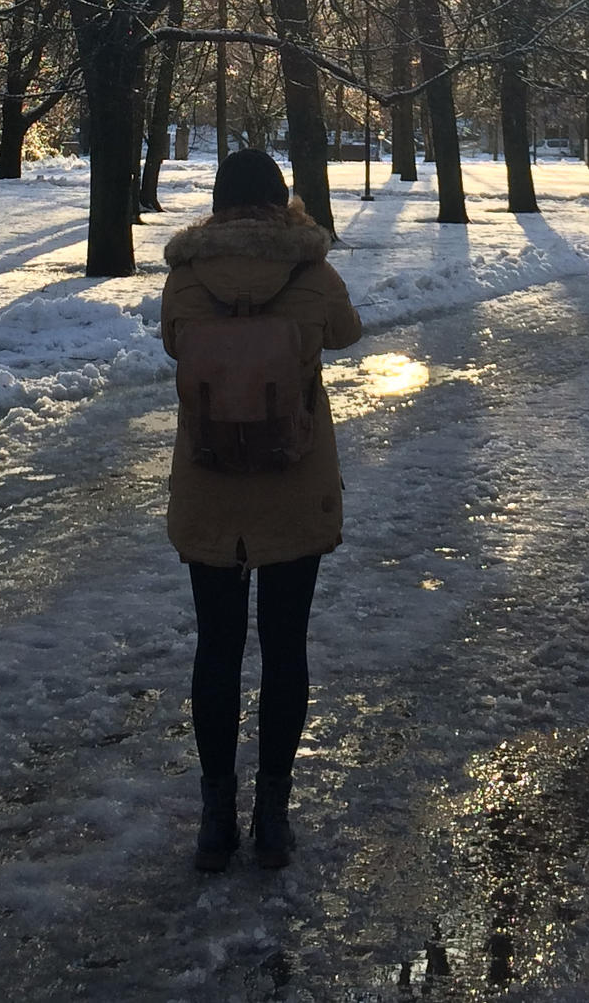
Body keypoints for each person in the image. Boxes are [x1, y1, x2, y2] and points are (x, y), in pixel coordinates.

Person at [160, 150, 362, 872]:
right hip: (293, 480)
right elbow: (348, 331)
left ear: (216, 202)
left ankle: (217, 819)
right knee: (285, 648)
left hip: (210, 483)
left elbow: (173, 342)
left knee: (215, 648)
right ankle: (273, 817)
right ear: (283, 201)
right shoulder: (311, 274)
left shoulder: (185, 277)